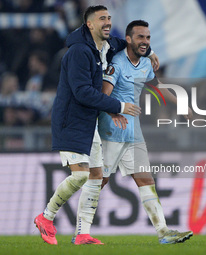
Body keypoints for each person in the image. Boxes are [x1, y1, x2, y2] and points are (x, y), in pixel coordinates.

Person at [34, 6, 159, 245]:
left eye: (109, 18)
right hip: (71, 120)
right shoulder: (79, 53)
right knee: (81, 175)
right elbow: (82, 93)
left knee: (96, 175)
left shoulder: (106, 46)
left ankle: (82, 233)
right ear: (89, 24)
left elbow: (127, 43)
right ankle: (46, 217)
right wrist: (117, 106)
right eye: (102, 19)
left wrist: (150, 51)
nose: (108, 22)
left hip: (88, 121)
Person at [74, 20, 193, 245]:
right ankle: (82, 232)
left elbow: (156, 85)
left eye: (148, 38)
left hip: (134, 133)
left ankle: (163, 232)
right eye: (140, 37)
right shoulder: (117, 64)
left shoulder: (145, 64)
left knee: (146, 179)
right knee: (99, 181)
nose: (145, 42)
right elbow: (104, 95)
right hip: (112, 132)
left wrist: (179, 104)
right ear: (128, 39)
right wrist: (113, 113)